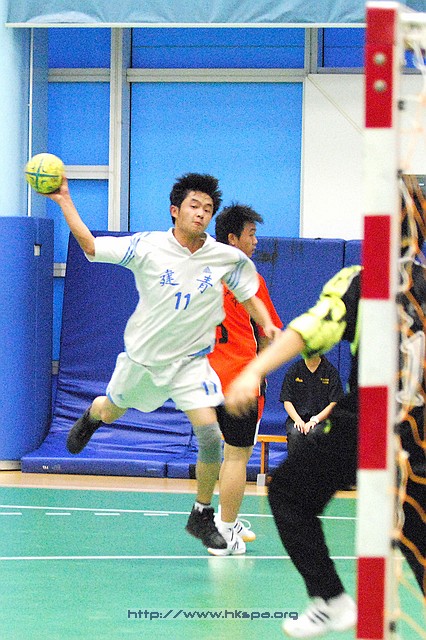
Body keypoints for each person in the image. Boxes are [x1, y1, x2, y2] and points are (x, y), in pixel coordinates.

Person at [225, 177, 426, 637]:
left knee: (289, 494)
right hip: (411, 431)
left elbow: (309, 328)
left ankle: (330, 599)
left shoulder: (362, 281)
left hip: (372, 422)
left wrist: (255, 371)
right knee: (414, 536)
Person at [45, 172, 281, 554]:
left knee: (210, 438)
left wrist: (266, 323)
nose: (201, 213)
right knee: (112, 409)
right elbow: (89, 245)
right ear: (175, 210)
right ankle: (93, 414)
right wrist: (64, 200)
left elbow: (249, 293)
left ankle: (203, 514)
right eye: (194, 205)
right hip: (144, 362)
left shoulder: (223, 257)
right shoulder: (148, 246)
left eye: (208, 208)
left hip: (192, 364)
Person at [207, 203, 283, 555]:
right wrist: (262, 371)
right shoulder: (250, 279)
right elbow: (268, 335)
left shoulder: (200, 275)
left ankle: (226, 519)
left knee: (223, 454)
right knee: (237, 457)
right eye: (251, 235)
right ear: (233, 239)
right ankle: (223, 535)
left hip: (204, 381)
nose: (256, 241)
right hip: (240, 381)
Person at [280, 354, 344, 455]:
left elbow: (334, 403)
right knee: (295, 434)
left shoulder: (330, 372)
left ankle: (316, 465)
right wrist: (298, 420)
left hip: (322, 421)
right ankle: (296, 465)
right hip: (297, 419)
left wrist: (315, 420)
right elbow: (287, 401)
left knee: (314, 433)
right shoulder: (294, 370)